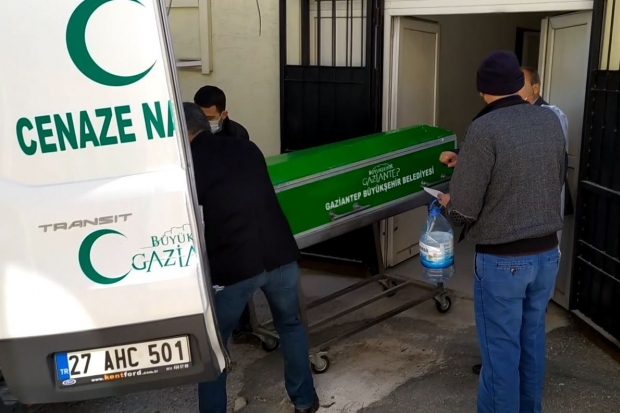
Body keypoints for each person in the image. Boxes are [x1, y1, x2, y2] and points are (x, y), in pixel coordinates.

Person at [437, 51, 565, 413]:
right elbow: (553, 179)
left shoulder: (484, 128)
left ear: (482, 91)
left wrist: (447, 202)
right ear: (518, 84)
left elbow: (463, 209)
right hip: (547, 256)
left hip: (503, 261)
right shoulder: (548, 120)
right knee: (531, 342)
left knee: (501, 355)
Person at [182, 102, 319, 413]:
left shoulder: (188, 164)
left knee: (213, 346)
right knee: (290, 325)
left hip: (234, 265)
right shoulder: (247, 147)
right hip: (279, 253)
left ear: (181, 132)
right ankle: (305, 401)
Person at [194, 85, 253, 341]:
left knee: (238, 272)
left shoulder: (238, 134)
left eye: (209, 118)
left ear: (223, 114)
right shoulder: (189, 135)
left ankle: (243, 324)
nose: (204, 124)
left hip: (232, 212)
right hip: (203, 210)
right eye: (200, 117)